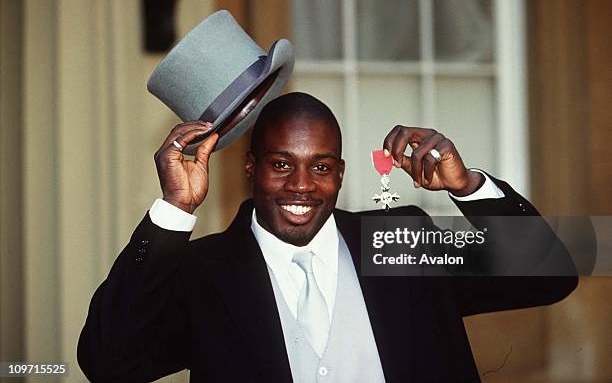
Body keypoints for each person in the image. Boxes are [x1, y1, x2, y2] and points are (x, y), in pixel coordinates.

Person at [78, 92, 577, 382]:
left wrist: (467, 186)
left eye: (320, 167)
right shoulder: (201, 272)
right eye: (280, 165)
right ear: (251, 169)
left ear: (340, 174)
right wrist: (175, 210)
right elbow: (107, 363)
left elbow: (549, 276)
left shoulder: (400, 241)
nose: (301, 185)